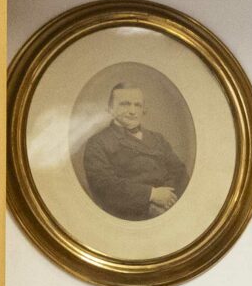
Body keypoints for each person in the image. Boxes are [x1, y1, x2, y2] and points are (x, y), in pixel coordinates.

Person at [79, 75, 189, 220]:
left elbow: (180, 172)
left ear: (144, 109)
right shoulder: (97, 143)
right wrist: (151, 196)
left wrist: (167, 199)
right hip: (128, 219)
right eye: (125, 104)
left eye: (137, 105)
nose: (132, 111)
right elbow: (105, 186)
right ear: (110, 109)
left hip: (169, 212)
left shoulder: (157, 138)